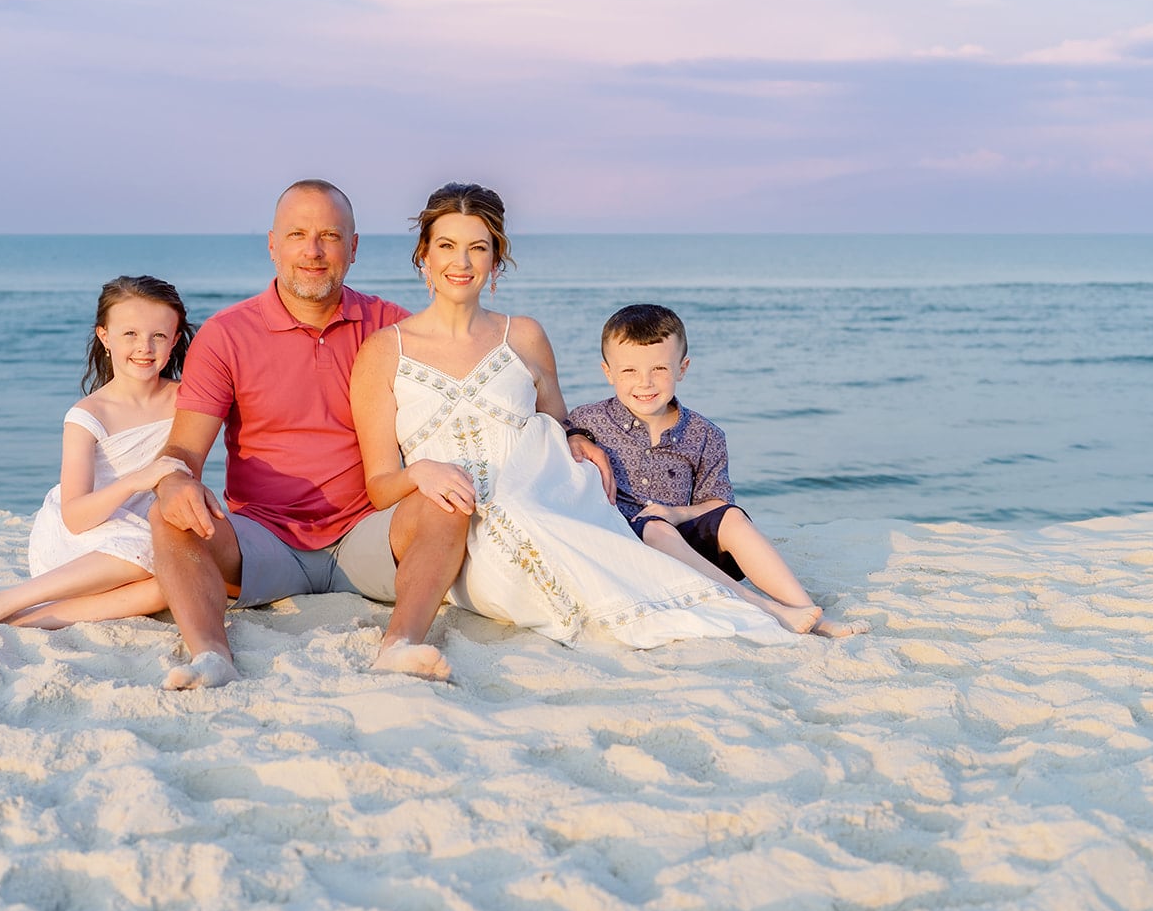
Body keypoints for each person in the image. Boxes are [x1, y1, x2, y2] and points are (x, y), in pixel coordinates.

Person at [349, 182, 798, 649]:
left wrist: (579, 440)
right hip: (447, 531)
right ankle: (757, 606)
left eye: (477, 248)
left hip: (541, 500)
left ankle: (761, 605)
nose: (460, 263)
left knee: (620, 560)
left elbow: (558, 425)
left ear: (495, 260)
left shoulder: (523, 335)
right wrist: (421, 471)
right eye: (446, 246)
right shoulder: (385, 351)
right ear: (424, 254)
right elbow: (380, 486)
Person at [146, 179, 473, 690]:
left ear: (354, 247)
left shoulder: (395, 328)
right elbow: (184, 449)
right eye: (298, 234)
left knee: (448, 499)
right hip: (263, 541)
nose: (314, 251)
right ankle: (212, 655)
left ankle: (399, 645)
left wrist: (572, 432)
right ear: (273, 245)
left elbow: (476, 393)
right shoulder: (226, 335)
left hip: (371, 535)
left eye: (330, 236)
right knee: (168, 513)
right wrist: (174, 483)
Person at [567, 304, 871, 637]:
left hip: (689, 552)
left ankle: (807, 611)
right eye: (629, 371)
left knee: (733, 516)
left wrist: (677, 513)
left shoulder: (704, 434)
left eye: (659, 368)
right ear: (608, 372)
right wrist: (574, 435)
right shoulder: (588, 421)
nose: (645, 383)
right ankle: (764, 608)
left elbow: (716, 503)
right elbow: (550, 438)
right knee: (655, 529)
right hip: (627, 549)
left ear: (682, 368)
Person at [0, 275, 198, 643]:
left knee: (173, 583)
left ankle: (28, 621)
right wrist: (137, 479)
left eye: (158, 336)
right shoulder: (87, 415)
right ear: (104, 337)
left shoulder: (189, 400)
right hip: (80, 538)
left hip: (142, 533)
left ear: (175, 339)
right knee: (152, 550)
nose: (144, 347)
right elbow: (75, 516)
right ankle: (0, 602)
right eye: (129, 334)